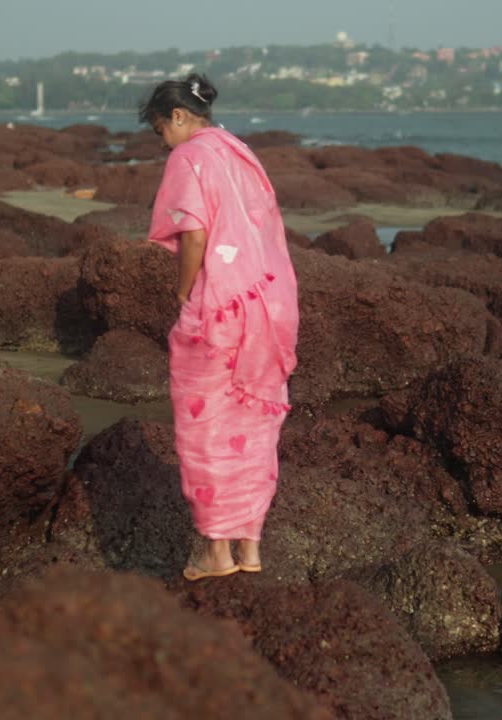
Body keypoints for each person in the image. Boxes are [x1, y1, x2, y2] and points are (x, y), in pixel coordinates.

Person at [140, 74, 300, 581]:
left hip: (222, 307)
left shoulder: (189, 156)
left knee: (206, 428)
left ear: (180, 117)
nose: (162, 139)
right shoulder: (239, 151)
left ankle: (215, 551)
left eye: (161, 128)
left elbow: (195, 234)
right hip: (271, 304)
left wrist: (183, 290)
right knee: (254, 423)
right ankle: (248, 547)